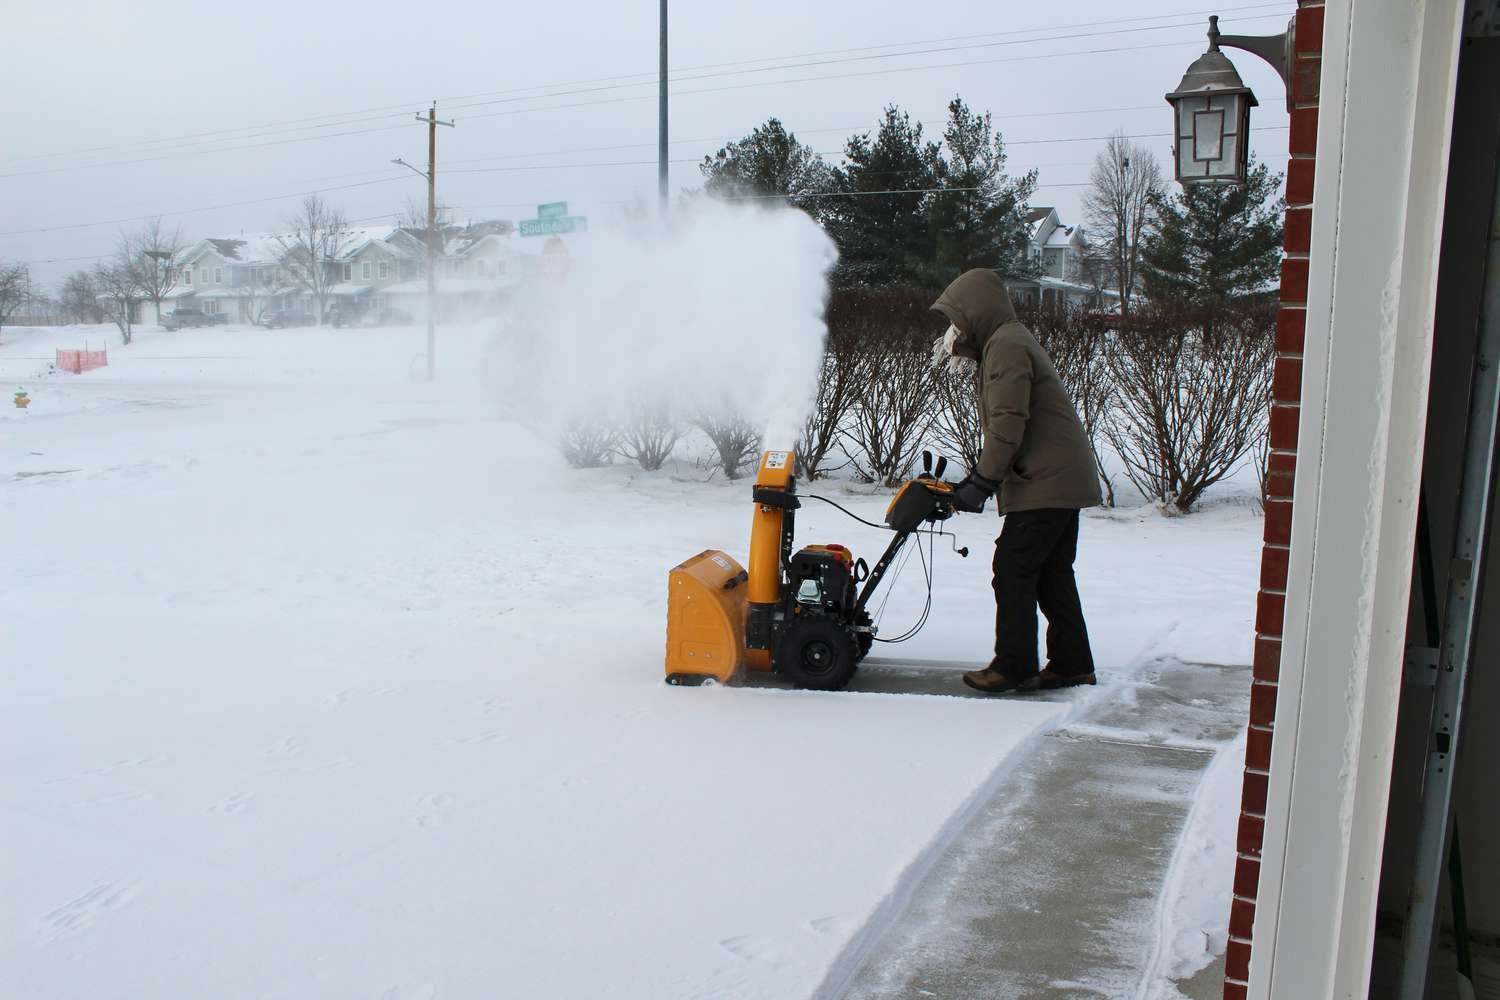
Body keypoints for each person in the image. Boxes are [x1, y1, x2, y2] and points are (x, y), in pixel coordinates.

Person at [931, 269, 1102, 694]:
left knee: (1013, 567)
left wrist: (982, 480)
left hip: (1047, 481)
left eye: (958, 319)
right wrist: (982, 479)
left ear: (976, 311)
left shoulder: (1005, 345)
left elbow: (1008, 425)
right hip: (1058, 477)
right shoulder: (1006, 341)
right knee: (1051, 574)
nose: (954, 330)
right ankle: (1071, 664)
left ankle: (1014, 664)